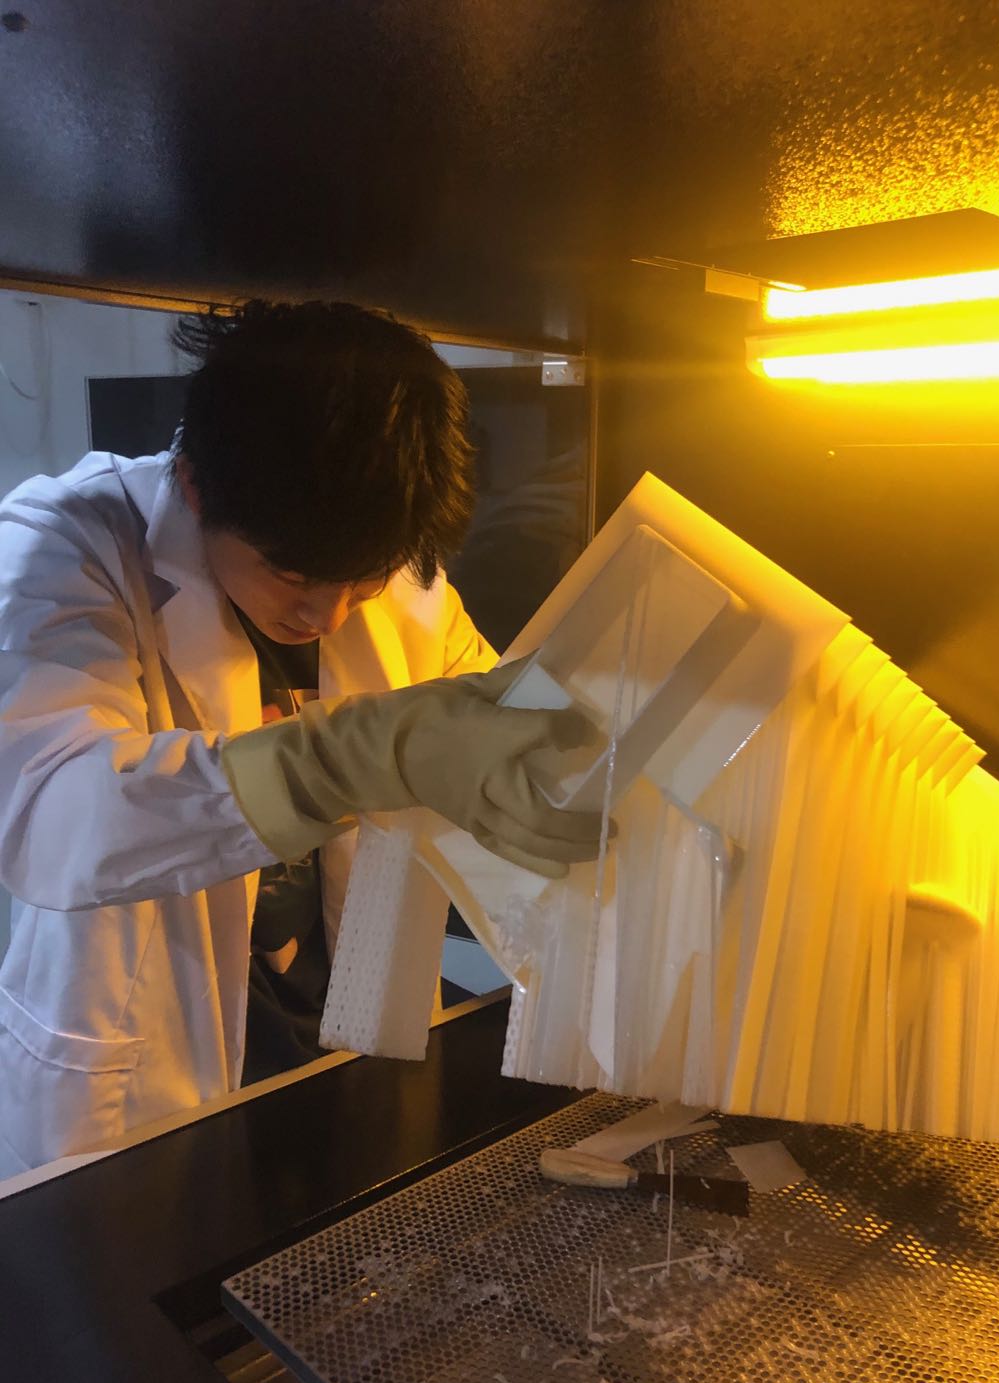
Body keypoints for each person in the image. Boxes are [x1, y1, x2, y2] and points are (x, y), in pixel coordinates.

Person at [0, 301, 601, 1178]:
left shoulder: (401, 574)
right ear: (194, 484)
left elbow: (494, 722)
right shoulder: (64, 546)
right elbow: (49, 810)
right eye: (291, 575)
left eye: (365, 580)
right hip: (141, 1067)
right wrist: (339, 761)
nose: (327, 615)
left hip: (344, 1030)